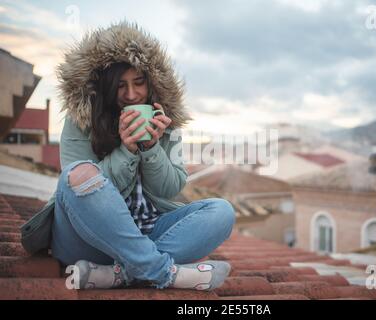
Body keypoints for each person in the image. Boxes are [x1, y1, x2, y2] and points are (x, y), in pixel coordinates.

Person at [21, 22, 236, 291]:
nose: (131, 94)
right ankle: (163, 273)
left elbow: (170, 188)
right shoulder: (80, 119)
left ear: (152, 82)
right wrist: (127, 150)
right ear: (105, 87)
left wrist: (151, 148)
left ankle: (120, 273)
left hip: (148, 231)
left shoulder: (164, 122)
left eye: (139, 82)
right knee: (79, 173)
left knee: (222, 211)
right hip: (87, 240)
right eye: (120, 85)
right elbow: (80, 187)